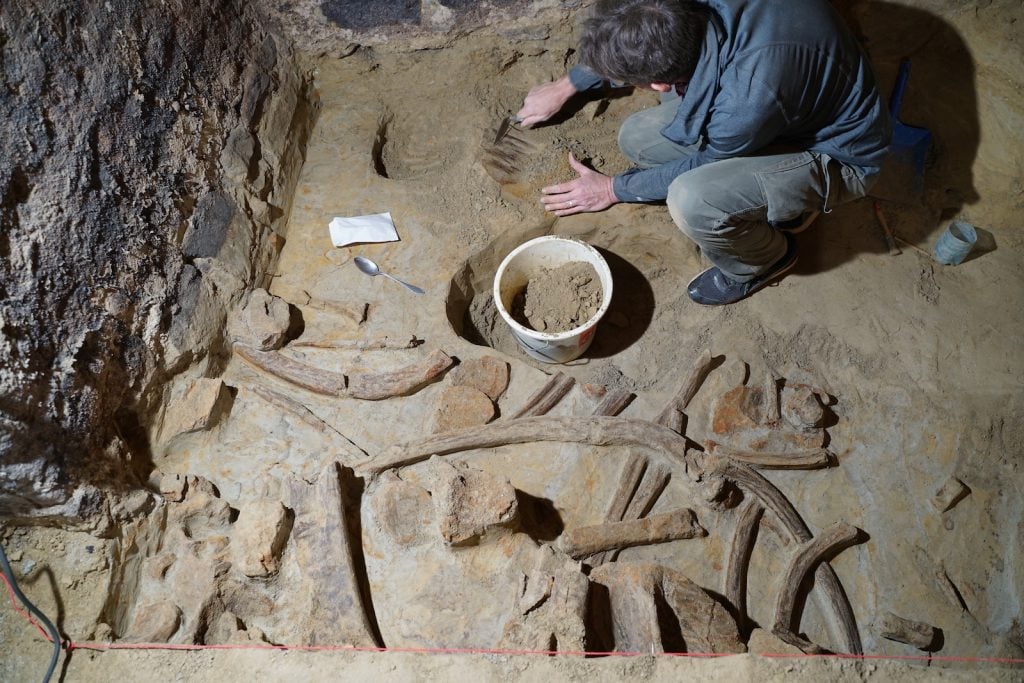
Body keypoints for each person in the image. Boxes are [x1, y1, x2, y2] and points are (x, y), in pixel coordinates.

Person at [516, 0, 891, 305]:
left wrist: (612, 189)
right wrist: (568, 85)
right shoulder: (679, 12)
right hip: (799, 95)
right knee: (638, 138)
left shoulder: (744, 102)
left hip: (840, 154)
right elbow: (629, 24)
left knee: (693, 199)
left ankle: (764, 261)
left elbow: (706, 161)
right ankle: (777, 199)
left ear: (659, 82)